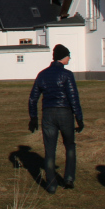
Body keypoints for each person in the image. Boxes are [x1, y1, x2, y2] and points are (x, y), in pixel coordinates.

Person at [28, 44, 84, 193]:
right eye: (68, 56)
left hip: (48, 114)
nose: (70, 58)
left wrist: (33, 117)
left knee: (50, 149)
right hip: (65, 113)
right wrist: (79, 118)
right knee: (70, 145)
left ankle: (51, 184)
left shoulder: (42, 74)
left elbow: (33, 98)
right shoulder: (67, 75)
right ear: (63, 57)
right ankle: (69, 178)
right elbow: (73, 98)